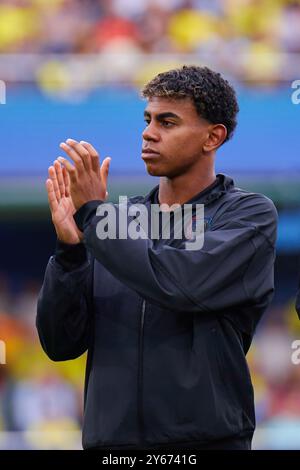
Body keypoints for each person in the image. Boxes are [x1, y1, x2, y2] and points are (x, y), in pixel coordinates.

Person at [36, 65, 277, 450]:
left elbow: (178, 283)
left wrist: (94, 217)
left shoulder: (248, 215)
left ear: (212, 137)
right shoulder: (114, 222)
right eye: (147, 120)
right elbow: (60, 344)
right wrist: (70, 254)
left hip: (207, 446)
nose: (148, 133)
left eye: (167, 122)